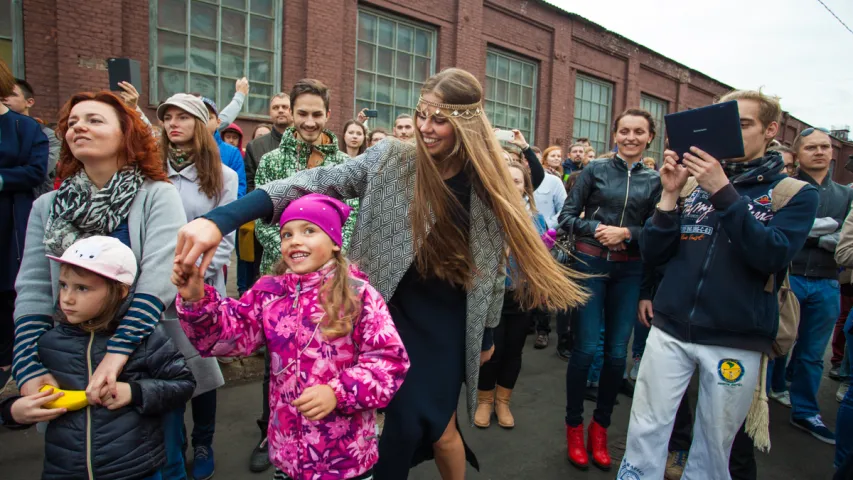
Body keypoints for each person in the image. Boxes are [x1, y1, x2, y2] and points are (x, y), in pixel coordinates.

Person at [171, 67, 585, 480]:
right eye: (421, 114)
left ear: (467, 124)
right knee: (395, 428)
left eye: (440, 119)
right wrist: (222, 219)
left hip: (446, 322)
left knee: (437, 424)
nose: (425, 127)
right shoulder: (392, 159)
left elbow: (492, 268)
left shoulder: (487, 185)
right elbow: (312, 181)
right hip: (383, 310)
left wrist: (488, 332)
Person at [618, 89, 819, 480]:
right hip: (671, 326)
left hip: (735, 337)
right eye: (730, 124)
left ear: (771, 129)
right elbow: (655, 253)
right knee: (646, 429)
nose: (735, 134)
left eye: (745, 124)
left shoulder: (793, 193)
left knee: (714, 444)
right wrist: (671, 196)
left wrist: (723, 191)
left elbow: (772, 257)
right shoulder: (691, 185)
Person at [11, 91, 190, 476]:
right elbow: (34, 289)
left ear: (125, 134)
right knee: (82, 458)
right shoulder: (47, 206)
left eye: (94, 120)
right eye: (73, 122)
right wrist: (27, 368)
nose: (79, 126)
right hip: (71, 360)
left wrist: (117, 354)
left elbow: (159, 281)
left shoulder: (157, 196)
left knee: (162, 459)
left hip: (144, 357)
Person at [174, 193, 410, 480]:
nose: (295, 240)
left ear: (336, 242)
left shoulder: (358, 295)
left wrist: (337, 392)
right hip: (288, 455)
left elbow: (389, 362)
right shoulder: (269, 293)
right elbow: (230, 337)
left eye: (309, 230)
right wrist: (196, 300)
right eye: (287, 234)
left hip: (345, 457)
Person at [1, 236, 196, 479]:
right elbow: (32, 397)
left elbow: (183, 385)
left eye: (82, 288)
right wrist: (12, 412)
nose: (67, 298)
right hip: (64, 471)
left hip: (136, 469)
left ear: (121, 290)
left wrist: (134, 392)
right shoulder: (49, 342)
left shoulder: (146, 339)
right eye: (63, 285)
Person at [249, 79, 359, 472]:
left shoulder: (345, 165)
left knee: (331, 356)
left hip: (331, 280)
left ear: (328, 115)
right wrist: (289, 248)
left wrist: (325, 257)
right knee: (276, 363)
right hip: (280, 277)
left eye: (317, 114)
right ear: (291, 115)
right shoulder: (272, 161)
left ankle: (331, 432)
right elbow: (262, 220)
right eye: (302, 114)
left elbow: (352, 219)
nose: (309, 122)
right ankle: (271, 430)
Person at [559, 108, 662, 471]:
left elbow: (660, 232)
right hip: (591, 265)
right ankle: (574, 426)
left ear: (650, 136)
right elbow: (566, 219)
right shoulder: (594, 171)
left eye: (639, 131)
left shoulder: (656, 181)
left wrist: (628, 234)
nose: (631, 137)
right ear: (614, 135)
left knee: (618, 354)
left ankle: (599, 428)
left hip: (631, 271)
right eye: (624, 131)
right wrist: (598, 229)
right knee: (586, 349)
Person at [158, 93, 237, 480]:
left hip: (200, 289)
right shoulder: (149, 171)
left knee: (201, 368)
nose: (173, 123)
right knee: (161, 368)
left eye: (183, 117)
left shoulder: (224, 176)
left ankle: (203, 441)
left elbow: (224, 239)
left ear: (201, 124)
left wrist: (195, 280)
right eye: (167, 116)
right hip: (154, 287)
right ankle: (171, 446)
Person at [766, 126, 853, 444]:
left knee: (812, 354)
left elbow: (845, 240)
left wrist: (806, 232)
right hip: (787, 279)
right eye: (811, 147)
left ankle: (804, 411)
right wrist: (819, 232)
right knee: (771, 344)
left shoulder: (846, 195)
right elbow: (776, 233)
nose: (820, 152)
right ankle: (759, 406)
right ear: (798, 154)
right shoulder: (783, 188)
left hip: (827, 283)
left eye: (825, 147)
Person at [475, 161, 552, 429]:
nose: (511, 184)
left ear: (525, 188)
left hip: (520, 294)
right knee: (491, 350)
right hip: (492, 294)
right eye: (506, 179)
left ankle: (503, 402)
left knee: (513, 351)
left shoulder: (536, 220)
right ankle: (484, 401)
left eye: (517, 181)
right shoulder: (484, 214)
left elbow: (541, 259)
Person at [0, 61, 49, 392]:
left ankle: (9, 368)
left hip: (10, 216)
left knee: (10, 290)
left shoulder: (25, 128)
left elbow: (36, 171)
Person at [2, 78, 60, 196]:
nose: (4, 98)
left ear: (29, 102)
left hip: (33, 199)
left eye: (12, 94)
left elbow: (41, 170)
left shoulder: (49, 135)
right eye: (3, 93)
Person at [198, 96, 246, 198]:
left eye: (209, 117)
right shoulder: (182, 148)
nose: (204, 121)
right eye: (199, 117)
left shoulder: (232, 153)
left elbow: (239, 189)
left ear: (218, 122)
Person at [245, 93, 293, 192]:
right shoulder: (254, 146)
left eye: (285, 107)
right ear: (270, 113)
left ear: (293, 111)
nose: (280, 110)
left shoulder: (304, 142)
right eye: (275, 107)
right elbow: (250, 184)